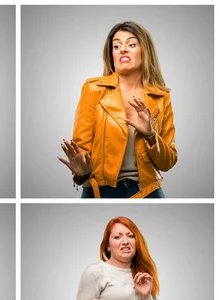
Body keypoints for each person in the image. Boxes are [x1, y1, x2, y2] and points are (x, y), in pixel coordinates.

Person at [58, 21, 177, 198]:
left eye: (131, 44)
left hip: (148, 192)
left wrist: (150, 135)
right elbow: (81, 150)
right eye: (116, 46)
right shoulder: (93, 89)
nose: (122, 49)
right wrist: (82, 171)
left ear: (145, 51)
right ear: (111, 54)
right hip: (100, 191)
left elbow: (168, 162)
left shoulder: (160, 97)